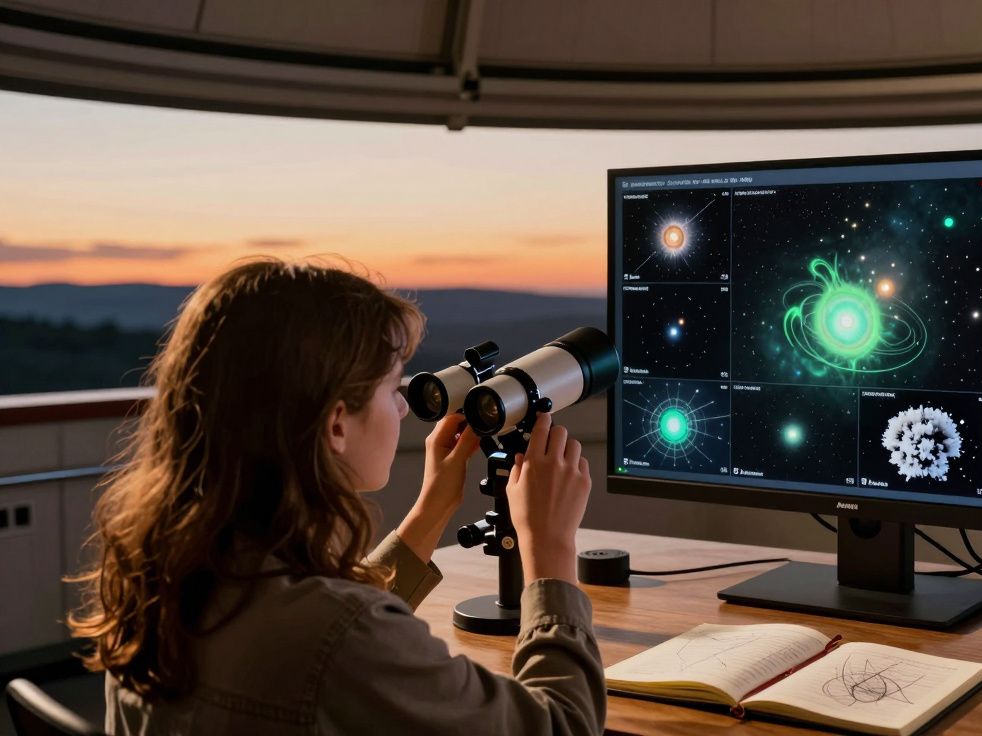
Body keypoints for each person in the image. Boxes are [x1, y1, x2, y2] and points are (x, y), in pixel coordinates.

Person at [68, 258, 604, 735]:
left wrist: (433, 506)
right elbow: (563, 723)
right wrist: (551, 552)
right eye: (391, 387)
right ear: (336, 425)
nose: (400, 408)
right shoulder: (341, 639)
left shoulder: (162, 578)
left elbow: (329, 629)